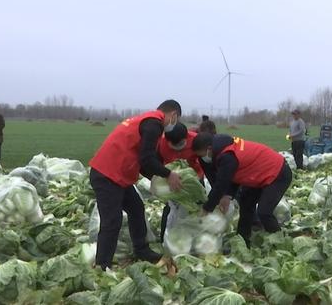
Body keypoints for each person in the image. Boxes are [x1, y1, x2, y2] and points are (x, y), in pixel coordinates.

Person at [89, 100, 184, 270]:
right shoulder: (154, 124)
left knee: (136, 209)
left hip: (118, 175)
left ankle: (142, 250)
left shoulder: (147, 121)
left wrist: (157, 180)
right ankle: (102, 265)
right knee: (112, 221)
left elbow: (144, 162)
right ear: (174, 115)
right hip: (107, 175)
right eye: (176, 120)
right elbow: (146, 158)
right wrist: (168, 175)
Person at [193, 132, 292, 247]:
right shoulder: (222, 151)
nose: (202, 158)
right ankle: (243, 241)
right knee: (246, 204)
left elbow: (221, 185)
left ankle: (280, 242)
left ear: (209, 148)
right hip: (257, 174)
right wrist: (228, 196)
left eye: (202, 155)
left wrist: (207, 208)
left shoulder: (227, 156)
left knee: (264, 212)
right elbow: (232, 177)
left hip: (278, 173)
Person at [156, 122, 205, 242]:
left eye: (181, 143)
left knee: (197, 208)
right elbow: (157, 162)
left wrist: (197, 178)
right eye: (174, 144)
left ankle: (197, 238)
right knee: (170, 208)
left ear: (186, 137)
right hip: (172, 180)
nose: (178, 147)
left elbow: (204, 162)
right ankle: (164, 239)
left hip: (194, 180)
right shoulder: (160, 143)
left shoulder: (195, 140)